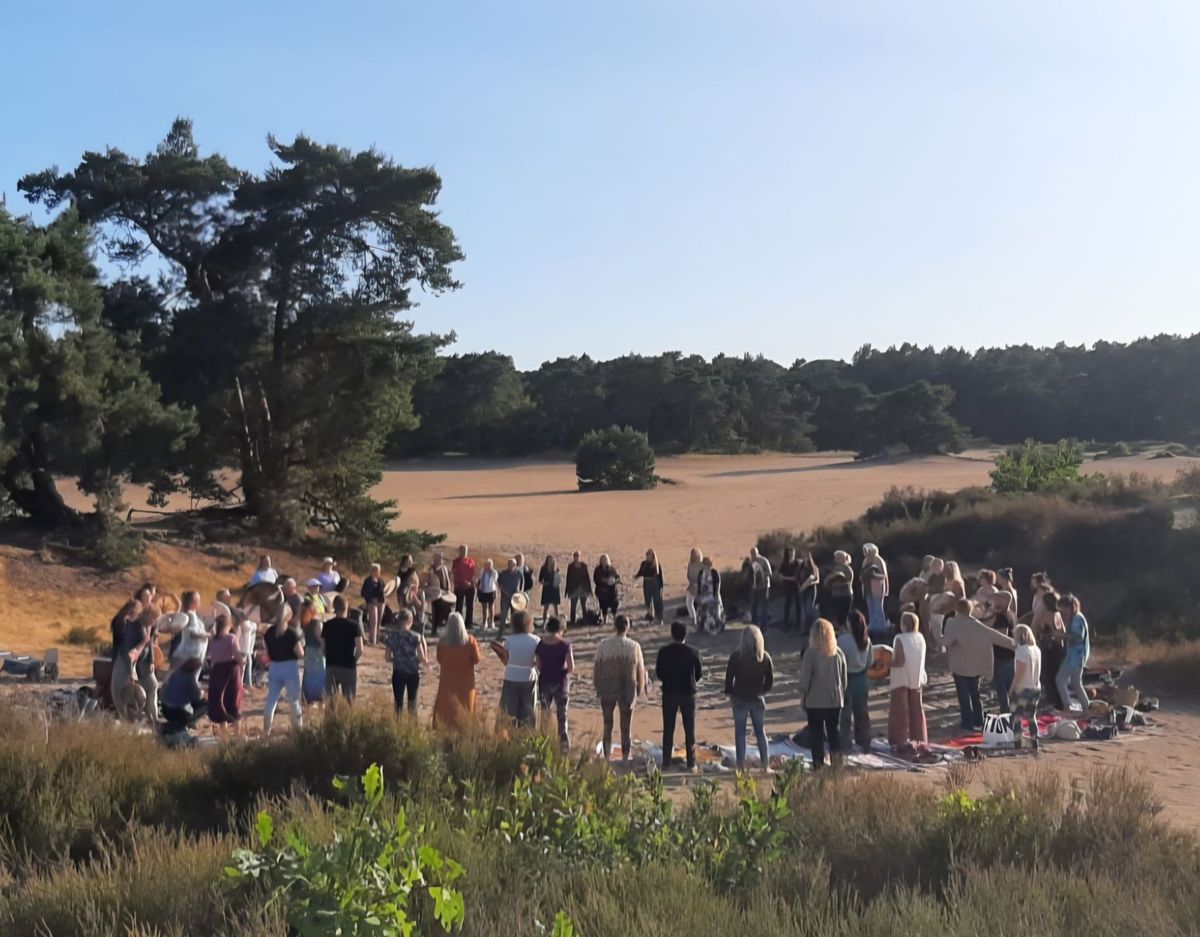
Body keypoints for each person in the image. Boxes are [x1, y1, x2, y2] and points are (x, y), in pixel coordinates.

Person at [942, 599, 1016, 731]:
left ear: (957, 609)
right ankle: (979, 721)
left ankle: (967, 724)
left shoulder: (952, 623)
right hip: (976, 667)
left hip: (960, 666)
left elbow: (946, 642)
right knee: (975, 695)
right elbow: (998, 637)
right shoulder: (978, 625)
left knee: (964, 696)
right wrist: (1017, 644)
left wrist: (937, 634)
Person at [593, 614, 646, 762]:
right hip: (626, 688)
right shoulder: (634, 646)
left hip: (607, 687)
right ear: (627, 627)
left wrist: (597, 685)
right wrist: (640, 689)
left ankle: (607, 757)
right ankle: (624, 758)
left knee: (607, 724)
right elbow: (640, 670)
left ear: (614, 626)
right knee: (625, 727)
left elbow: (597, 667)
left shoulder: (604, 645)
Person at [796, 618, 848, 770]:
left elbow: (805, 679)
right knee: (834, 733)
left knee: (816, 734)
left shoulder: (810, 654)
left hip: (815, 701)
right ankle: (837, 765)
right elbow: (844, 679)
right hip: (835, 700)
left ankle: (818, 765)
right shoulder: (838, 653)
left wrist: (802, 697)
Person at [724, 624, 773, 773]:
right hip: (757, 699)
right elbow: (769, 682)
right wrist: (761, 691)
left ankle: (741, 766)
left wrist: (731, 693)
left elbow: (728, 680)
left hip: (739, 698)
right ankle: (765, 765)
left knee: (740, 733)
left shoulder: (736, 657)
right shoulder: (764, 658)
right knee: (760, 732)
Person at [655, 620, 702, 771]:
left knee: (668, 728)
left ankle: (666, 763)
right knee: (690, 729)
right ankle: (691, 763)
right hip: (688, 693)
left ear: (672, 634)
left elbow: (659, 673)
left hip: (669, 692)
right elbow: (699, 674)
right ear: (685, 634)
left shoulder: (664, 652)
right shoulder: (693, 652)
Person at [491, 610, 539, 730]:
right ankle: (526, 737)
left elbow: (506, 661)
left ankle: (507, 737)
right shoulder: (536, 640)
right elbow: (537, 661)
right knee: (528, 711)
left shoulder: (510, 640)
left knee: (508, 711)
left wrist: (498, 651)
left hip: (511, 676)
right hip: (529, 677)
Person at [888, 611, 929, 753]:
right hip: (917, 676)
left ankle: (900, 741)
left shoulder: (900, 638)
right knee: (917, 709)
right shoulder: (920, 638)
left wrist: (885, 663)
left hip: (902, 677)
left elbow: (899, 661)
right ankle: (920, 739)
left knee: (900, 711)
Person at [433, 612, 482, 729]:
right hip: (466, 685)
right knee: (465, 710)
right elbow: (477, 660)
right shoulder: (470, 642)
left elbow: (440, 659)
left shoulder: (442, 643)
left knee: (446, 711)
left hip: (447, 683)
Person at [111, 607, 159, 726]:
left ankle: (152, 716)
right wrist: (131, 672)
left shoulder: (149, 627)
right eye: (155, 619)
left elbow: (150, 644)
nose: (156, 622)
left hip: (143, 662)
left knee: (152, 686)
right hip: (126, 661)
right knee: (122, 691)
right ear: (150, 617)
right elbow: (129, 651)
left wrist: (151, 661)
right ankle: (126, 719)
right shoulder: (135, 628)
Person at [263, 605, 304, 736]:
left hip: (274, 666)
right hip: (290, 666)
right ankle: (298, 731)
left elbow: (268, 652)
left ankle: (266, 731)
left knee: (271, 700)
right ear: (288, 616)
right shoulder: (291, 633)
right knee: (294, 701)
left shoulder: (269, 632)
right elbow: (300, 653)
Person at [534, 617, 574, 750]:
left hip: (545, 681)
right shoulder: (565, 644)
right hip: (561, 682)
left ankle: (543, 745)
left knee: (545, 714)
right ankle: (563, 747)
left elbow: (538, 665)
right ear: (561, 629)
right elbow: (571, 666)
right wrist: (562, 671)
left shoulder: (541, 644)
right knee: (562, 716)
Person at [837, 610, 872, 752]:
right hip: (862, 680)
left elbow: (838, 661)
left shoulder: (843, 640)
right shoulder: (866, 640)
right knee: (862, 714)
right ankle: (864, 743)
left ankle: (845, 745)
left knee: (845, 716)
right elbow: (870, 661)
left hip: (847, 680)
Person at [207, 613, 245, 737]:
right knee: (234, 702)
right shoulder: (231, 638)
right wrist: (243, 661)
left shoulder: (213, 640)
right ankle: (237, 734)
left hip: (217, 672)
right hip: (230, 672)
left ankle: (224, 735)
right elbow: (238, 657)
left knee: (220, 701)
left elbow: (213, 658)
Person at [384, 609, 427, 714]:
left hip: (398, 672)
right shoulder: (415, 637)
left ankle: (398, 727)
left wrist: (397, 659)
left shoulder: (392, 636)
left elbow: (387, 657)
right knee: (412, 703)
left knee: (398, 704)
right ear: (410, 621)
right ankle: (412, 727)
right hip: (412, 673)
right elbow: (422, 658)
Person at [323, 597, 365, 702]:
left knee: (330, 701)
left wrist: (328, 657)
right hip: (348, 665)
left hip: (332, 664)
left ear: (334, 608)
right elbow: (360, 649)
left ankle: (331, 718)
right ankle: (346, 718)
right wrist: (353, 660)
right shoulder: (354, 626)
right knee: (349, 700)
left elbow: (322, 647)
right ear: (347, 608)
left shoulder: (327, 625)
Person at [1056, 593, 1090, 714]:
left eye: (1062, 608)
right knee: (1076, 682)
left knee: (1060, 679)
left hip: (1075, 657)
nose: (1061, 611)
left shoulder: (1077, 619)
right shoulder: (1078, 617)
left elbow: (1078, 636)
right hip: (1078, 656)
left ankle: (1067, 706)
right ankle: (1087, 708)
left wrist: (1062, 635)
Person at [1011, 623, 1043, 752]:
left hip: (1022, 688)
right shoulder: (1036, 649)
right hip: (1035, 687)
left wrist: (1012, 687)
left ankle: (1017, 743)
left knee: (1017, 717)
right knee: (1031, 716)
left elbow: (1019, 672)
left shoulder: (1021, 651)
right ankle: (1035, 741)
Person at [1032, 590, 1066, 709]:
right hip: (1058, 648)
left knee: (1047, 676)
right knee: (1055, 676)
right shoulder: (1057, 614)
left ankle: (1052, 701)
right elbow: (1063, 631)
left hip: (1047, 649)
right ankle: (1058, 701)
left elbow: (1033, 630)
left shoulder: (1042, 614)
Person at [160, 657, 206, 740]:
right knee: (206, 705)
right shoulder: (190, 678)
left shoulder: (176, 672)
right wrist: (203, 692)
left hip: (164, 708)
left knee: (191, 703)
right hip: (176, 712)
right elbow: (197, 695)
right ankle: (186, 723)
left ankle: (179, 724)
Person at [988, 592, 1017, 713]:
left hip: (1001, 657)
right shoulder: (1011, 614)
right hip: (1010, 656)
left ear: (1002, 601)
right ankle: (1014, 711)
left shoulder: (1002, 617)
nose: (993, 603)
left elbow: (1001, 635)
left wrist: (989, 635)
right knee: (1010, 686)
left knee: (1001, 687)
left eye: (996, 600)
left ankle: (1005, 712)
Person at [299, 597, 325, 706]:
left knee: (309, 675)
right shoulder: (316, 623)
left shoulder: (304, 623)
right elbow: (321, 639)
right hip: (318, 651)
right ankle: (320, 698)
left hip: (309, 650)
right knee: (320, 675)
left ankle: (307, 698)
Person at [861, 544, 890, 638]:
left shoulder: (878, 560)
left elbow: (883, 575)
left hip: (877, 587)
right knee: (870, 608)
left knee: (878, 608)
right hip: (867, 587)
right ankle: (873, 628)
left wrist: (873, 575)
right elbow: (862, 574)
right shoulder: (865, 560)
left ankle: (881, 628)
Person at [634, 549, 665, 624]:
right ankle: (650, 615)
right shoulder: (644, 563)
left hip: (655, 583)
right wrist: (636, 576)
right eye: (647, 554)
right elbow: (641, 572)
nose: (648, 556)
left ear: (653, 556)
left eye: (649, 555)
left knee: (657, 600)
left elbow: (660, 577)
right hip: (646, 582)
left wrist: (661, 587)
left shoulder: (657, 564)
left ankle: (659, 618)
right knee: (647, 599)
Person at [427, 553, 455, 635]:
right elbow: (432, 582)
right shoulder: (432, 570)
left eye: (441, 559)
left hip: (445, 592)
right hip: (436, 593)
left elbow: (447, 579)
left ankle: (448, 629)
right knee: (436, 612)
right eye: (439, 559)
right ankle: (434, 630)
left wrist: (449, 588)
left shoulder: (444, 568)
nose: (441, 560)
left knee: (448, 611)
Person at [825, 551, 854, 628]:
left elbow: (848, 582)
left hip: (845, 595)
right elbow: (827, 581)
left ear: (843, 558)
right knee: (838, 616)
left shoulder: (848, 568)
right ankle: (840, 632)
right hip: (835, 595)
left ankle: (847, 632)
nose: (836, 559)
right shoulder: (833, 568)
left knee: (845, 615)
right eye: (835, 557)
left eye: (838, 557)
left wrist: (836, 585)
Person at [452, 545, 478, 629]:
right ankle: (458, 623)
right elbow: (455, 575)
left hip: (470, 587)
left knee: (470, 606)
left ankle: (468, 623)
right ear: (459, 551)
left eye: (465, 550)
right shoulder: (456, 562)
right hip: (459, 587)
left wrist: (473, 582)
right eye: (462, 550)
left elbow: (474, 573)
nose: (464, 552)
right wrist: (464, 582)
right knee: (459, 606)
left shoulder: (471, 561)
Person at [360, 563, 386, 646]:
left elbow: (384, 592)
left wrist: (382, 598)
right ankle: (372, 641)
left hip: (381, 602)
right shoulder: (367, 581)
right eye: (375, 570)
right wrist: (371, 599)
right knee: (373, 621)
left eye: (378, 570)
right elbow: (363, 593)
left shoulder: (381, 581)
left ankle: (377, 640)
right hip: (371, 603)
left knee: (379, 622)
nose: (377, 571)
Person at [496, 558, 525, 633]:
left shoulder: (519, 574)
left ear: (515, 565)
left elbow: (522, 583)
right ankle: (500, 632)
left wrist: (520, 591)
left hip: (515, 598)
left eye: (511, 564)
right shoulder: (503, 573)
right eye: (508, 564)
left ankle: (514, 632)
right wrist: (502, 590)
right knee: (503, 615)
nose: (509, 566)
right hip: (505, 598)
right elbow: (499, 583)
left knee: (514, 616)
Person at [778, 546, 802, 633]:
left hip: (796, 587)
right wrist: (790, 578)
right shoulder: (784, 563)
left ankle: (798, 625)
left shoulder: (798, 563)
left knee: (798, 605)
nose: (792, 554)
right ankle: (786, 625)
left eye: (793, 552)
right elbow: (780, 575)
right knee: (787, 605)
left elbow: (801, 574)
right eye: (790, 552)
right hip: (788, 587)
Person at [747, 547, 772, 628]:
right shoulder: (751, 561)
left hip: (764, 587)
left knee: (763, 607)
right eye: (752, 554)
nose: (753, 555)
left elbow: (770, 573)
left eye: (754, 553)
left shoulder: (764, 560)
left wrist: (762, 575)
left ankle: (763, 625)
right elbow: (749, 573)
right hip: (754, 587)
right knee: (753, 606)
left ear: (757, 553)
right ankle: (754, 624)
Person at [797, 549, 820, 634]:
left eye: (806, 556)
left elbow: (817, 580)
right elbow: (797, 578)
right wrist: (800, 586)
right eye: (803, 556)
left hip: (811, 589)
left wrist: (809, 583)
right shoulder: (801, 568)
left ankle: (813, 629)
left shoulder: (814, 568)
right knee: (804, 610)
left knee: (809, 609)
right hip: (802, 590)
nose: (804, 558)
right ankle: (806, 629)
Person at [593, 555, 622, 626]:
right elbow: (595, 579)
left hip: (612, 591)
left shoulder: (612, 569)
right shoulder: (598, 569)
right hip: (602, 591)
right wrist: (604, 581)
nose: (604, 561)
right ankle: (605, 620)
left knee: (614, 605)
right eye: (602, 560)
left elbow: (617, 577)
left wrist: (614, 580)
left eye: (605, 560)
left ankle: (615, 619)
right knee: (603, 606)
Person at [565, 551, 592, 625]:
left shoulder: (583, 566)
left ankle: (585, 620)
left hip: (583, 588)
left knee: (584, 605)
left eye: (578, 556)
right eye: (575, 556)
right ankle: (573, 621)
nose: (577, 557)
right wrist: (567, 591)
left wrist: (589, 590)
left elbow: (587, 578)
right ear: (573, 557)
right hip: (573, 589)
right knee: (573, 606)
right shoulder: (571, 566)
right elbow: (568, 579)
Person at [538, 555, 562, 627]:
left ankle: (557, 622)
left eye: (552, 560)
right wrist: (544, 583)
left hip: (554, 589)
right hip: (547, 589)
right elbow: (540, 580)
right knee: (546, 607)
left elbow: (558, 581)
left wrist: (558, 574)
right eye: (549, 560)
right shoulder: (543, 569)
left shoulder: (556, 569)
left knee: (556, 606)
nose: (551, 561)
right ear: (547, 560)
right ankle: (544, 623)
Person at [477, 558, 498, 630]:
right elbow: (479, 579)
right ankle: (484, 622)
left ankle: (491, 622)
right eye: (486, 565)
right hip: (483, 591)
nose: (488, 567)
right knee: (484, 607)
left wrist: (490, 571)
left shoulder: (494, 572)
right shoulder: (482, 571)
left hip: (491, 591)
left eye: (489, 565)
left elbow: (495, 579)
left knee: (491, 607)